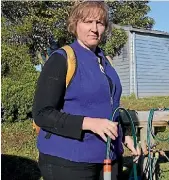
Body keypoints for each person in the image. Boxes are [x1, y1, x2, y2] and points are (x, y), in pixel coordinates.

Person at [32, 1, 140, 180]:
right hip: (69, 161)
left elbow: (110, 106)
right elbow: (42, 114)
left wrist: (123, 137)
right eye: (87, 22)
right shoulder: (62, 59)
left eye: (100, 23)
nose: (94, 29)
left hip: (107, 157)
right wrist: (90, 123)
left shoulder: (105, 61)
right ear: (75, 25)